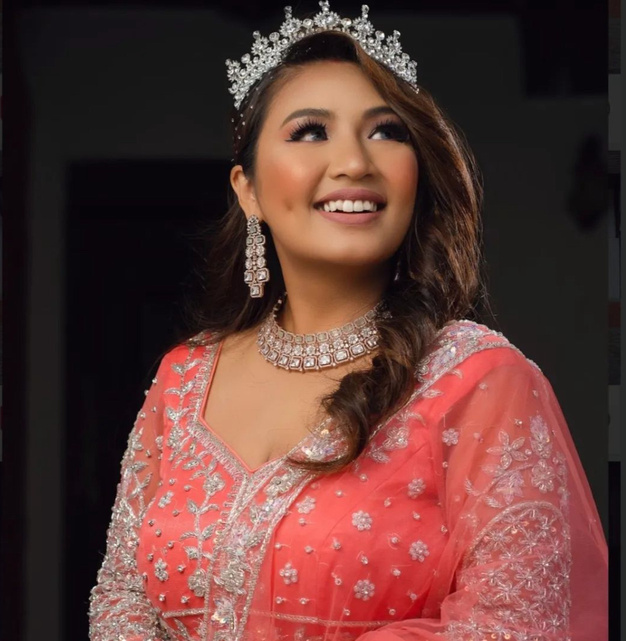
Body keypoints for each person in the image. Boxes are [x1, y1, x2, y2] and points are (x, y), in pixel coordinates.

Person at [88, 2, 608, 640]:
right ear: (248, 189)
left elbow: (520, 624)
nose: (355, 162)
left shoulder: (480, 383)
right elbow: (123, 595)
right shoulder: (185, 379)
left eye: (386, 132)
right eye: (310, 132)